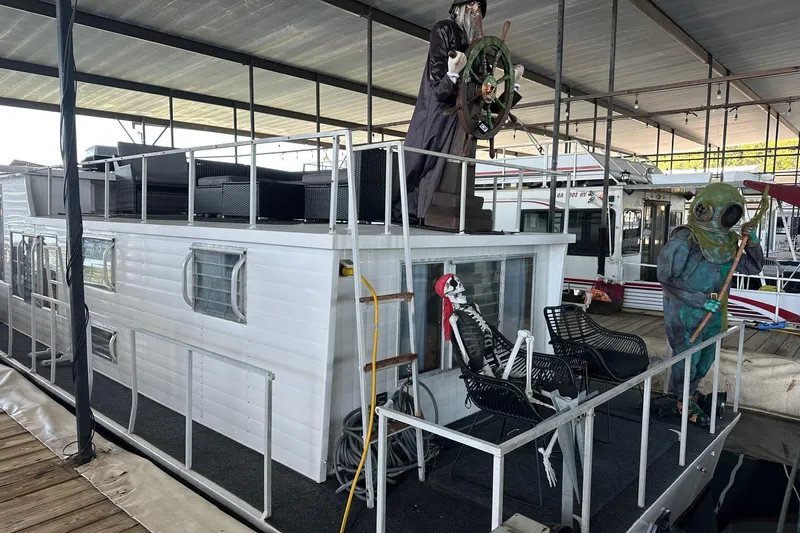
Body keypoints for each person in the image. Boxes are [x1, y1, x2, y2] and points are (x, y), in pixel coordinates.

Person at [400, 0, 523, 224]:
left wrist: (511, 86)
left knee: (453, 167)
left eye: (479, 8)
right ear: (462, 5)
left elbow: (490, 104)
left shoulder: (474, 45)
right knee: (423, 165)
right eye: (473, 5)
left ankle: (427, 212)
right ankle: (411, 211)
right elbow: (438, 91)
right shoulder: (443, 29)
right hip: (438, 120)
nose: (476, 11)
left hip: (464, 123)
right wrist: (452, 73)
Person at [656, 183, 764, 426]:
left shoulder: (729, 242)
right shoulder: (684, 240)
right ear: (705, 210)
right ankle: (683, 400)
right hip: (685, 315)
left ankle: (691, 392)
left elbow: (753, 267)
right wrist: (699, 300)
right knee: (688, 358)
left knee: (706, 359)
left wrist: (753, 243)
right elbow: (665, 278)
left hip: (716, 314)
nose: (731, 217)